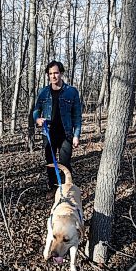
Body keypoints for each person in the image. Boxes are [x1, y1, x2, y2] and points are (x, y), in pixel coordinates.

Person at [33, 60, 82, 191]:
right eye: (50, 74)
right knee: (50, 164)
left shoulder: (72, 92)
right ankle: (54, 189)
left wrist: (76, 135)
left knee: (65, 164)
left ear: (61, 73)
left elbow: (77, 116)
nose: (53, 76)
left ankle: (67, 190)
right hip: (48, 134)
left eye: (56, 73)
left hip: (66, 134)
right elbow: (36, 110)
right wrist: (37, 119)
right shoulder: (43, 92)